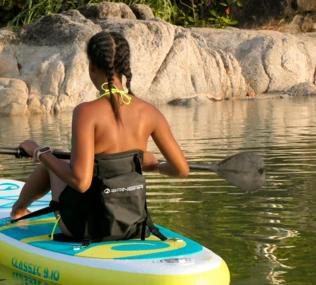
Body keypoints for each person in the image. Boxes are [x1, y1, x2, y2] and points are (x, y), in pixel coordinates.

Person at [10, 31, 189, 244]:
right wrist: (156, 165)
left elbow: (81, 182)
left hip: (86, 229)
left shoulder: (86, 112)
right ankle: (20, 208)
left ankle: (19, 210)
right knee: (59, 158)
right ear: (124, 66)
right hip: (133, 225)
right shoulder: (150, 112)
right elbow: (181, 170)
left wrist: (38, 152)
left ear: (92, 66)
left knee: (53, 158)